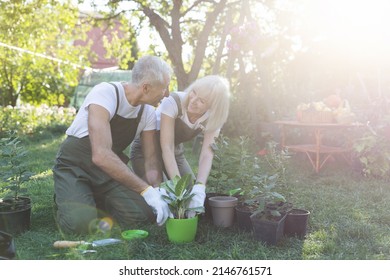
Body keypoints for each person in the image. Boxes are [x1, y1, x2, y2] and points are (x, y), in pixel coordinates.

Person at [52, 55, 172, 234]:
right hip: (75, 166)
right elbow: (101, 154)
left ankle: (92, 197)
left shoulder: (147, 112)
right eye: (164, 88)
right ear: (146, 88)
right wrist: (145, 191)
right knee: (80, 224)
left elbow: (151, 160)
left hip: (108, 172)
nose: (168, 94)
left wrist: (157, 190)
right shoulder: (105, 93)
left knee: (142, 214)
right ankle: (68, 193)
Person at [130, 75, 230, 217]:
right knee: (163, 198)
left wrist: (200, 187)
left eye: (202, 100)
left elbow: (207, 153)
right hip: (146, 152)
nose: (193, 100)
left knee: (191, 194)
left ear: (213, 106)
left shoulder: (214, 117)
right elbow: (167, 147)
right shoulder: (174, 101)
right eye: (194, 92)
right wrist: (178, 187)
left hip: (175, 152)